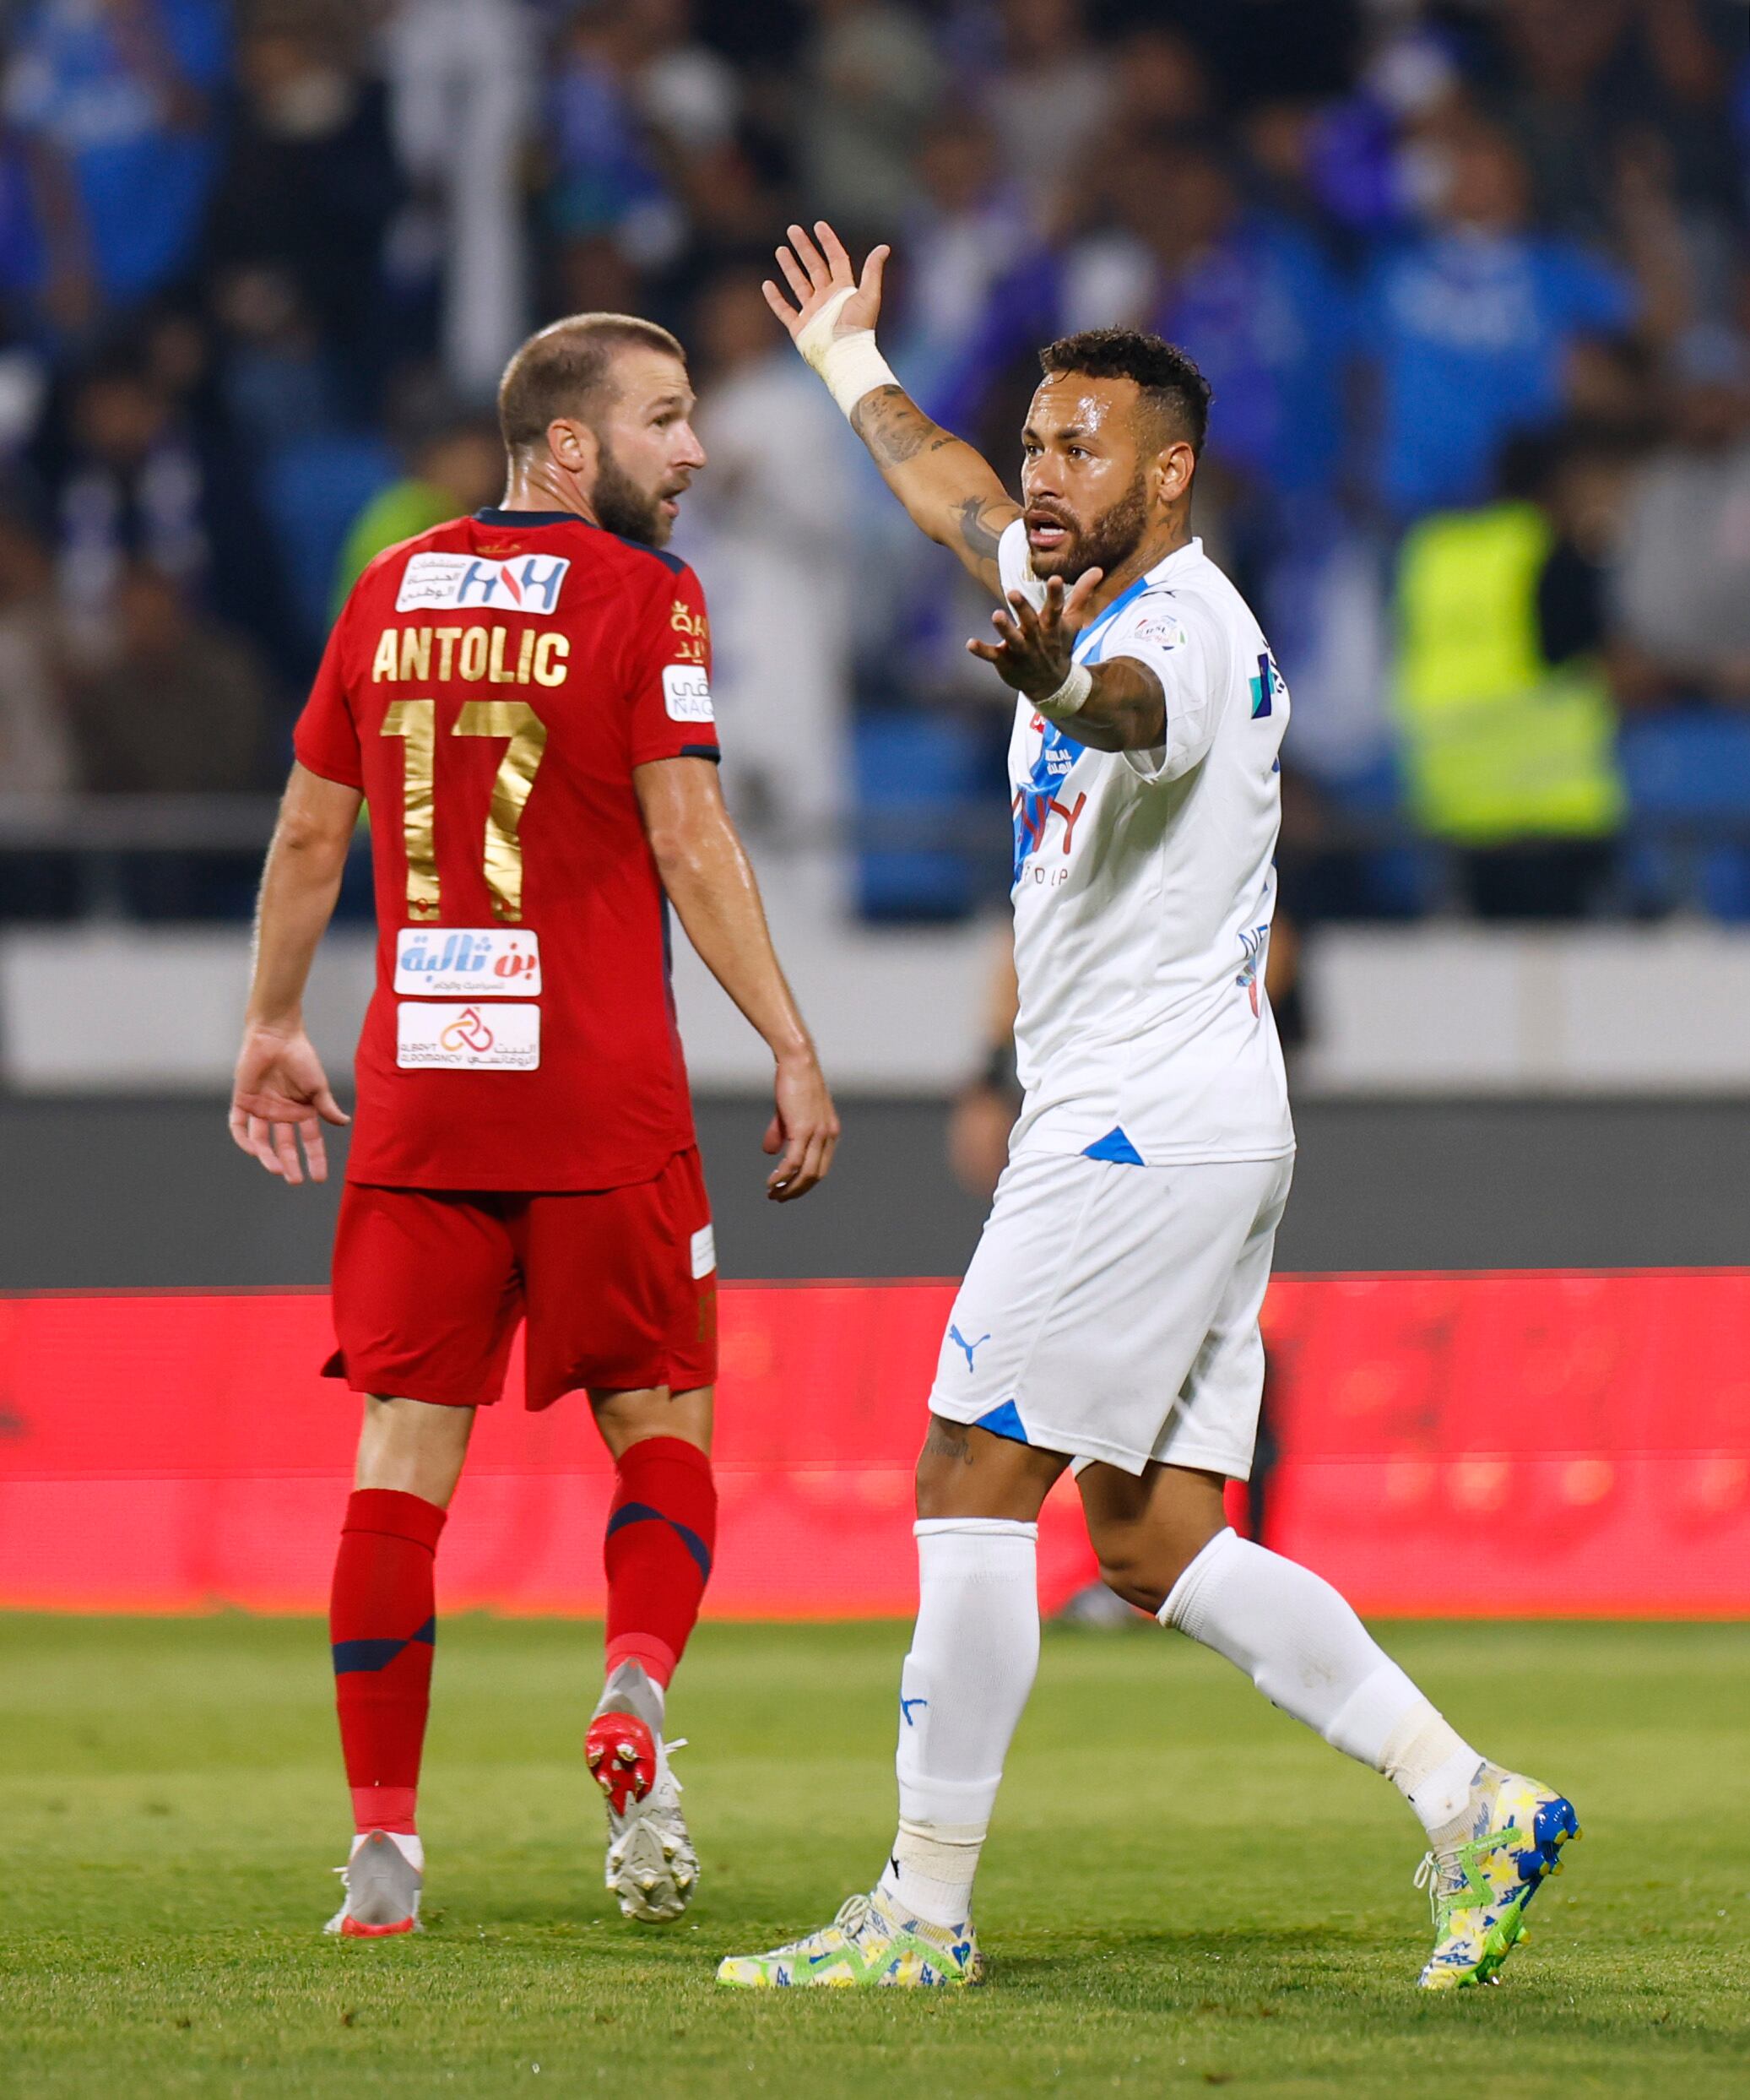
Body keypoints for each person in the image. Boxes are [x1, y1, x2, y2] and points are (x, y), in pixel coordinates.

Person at [719, 222, 1579, 1993]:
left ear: (1164, 474)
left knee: (966, 1475)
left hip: (1131, 1129)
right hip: (1196, 1123)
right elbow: (944, 495)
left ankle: (920, 1909)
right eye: (1036, 438)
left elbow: (1118, 714)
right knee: (1151, 1534)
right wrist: (846, 366)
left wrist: (1045, 681)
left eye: (1079, 445)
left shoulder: (1178, 628)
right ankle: (1466, 1796)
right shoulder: (1068, 568)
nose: (1039, 471)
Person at [227, 310, 840, 1939]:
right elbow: (691, 835)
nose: (694, 449)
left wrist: (274, 1022)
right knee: (663, 1434)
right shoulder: (646, 595)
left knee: (398, 1468)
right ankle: (634, 1690)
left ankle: (380, 1852)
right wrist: (787, 1040)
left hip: (422, 1095)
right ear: (568, 447)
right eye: (665, 419)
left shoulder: (387, 589)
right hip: (598, 1097)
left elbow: (305, 832)